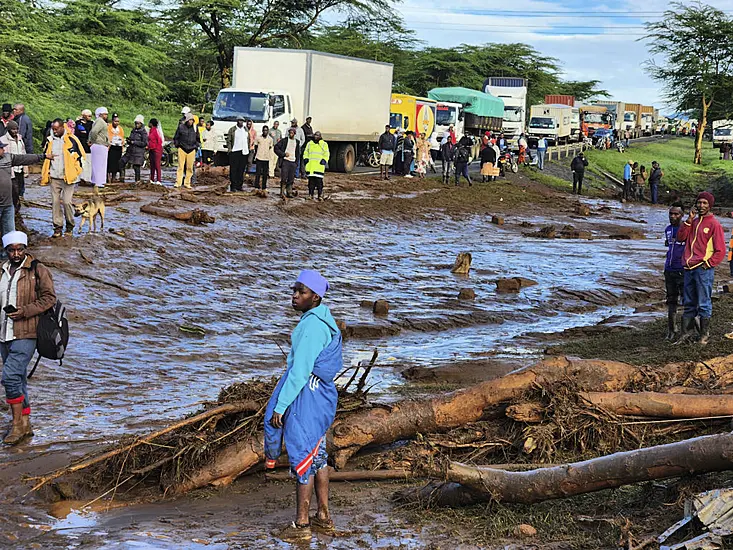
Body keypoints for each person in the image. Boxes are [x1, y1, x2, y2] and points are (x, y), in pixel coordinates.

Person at [264, 270, 342, 541]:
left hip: (307, 397)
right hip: (321, 396)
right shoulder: (324, 320)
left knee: (303, 457)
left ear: (316, 297)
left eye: (302, 291)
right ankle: (324, 516)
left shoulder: (311, 327)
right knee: (318, 456)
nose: (295, 295)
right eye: (294, 290)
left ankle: (301, 524)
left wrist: (280, 406)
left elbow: (300, 371)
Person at [0, 231, 57, 445]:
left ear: (25, 248)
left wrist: (24, 311)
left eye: (19, 249)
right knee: (19, 377)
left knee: (10, 377)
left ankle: (16, 425)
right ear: (6, 250)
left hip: (28, 332)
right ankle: (25, 423)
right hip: (4, 333)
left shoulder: (37, 269)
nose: (16, 253)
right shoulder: (2, 270)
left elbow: (49, 298)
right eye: (11, 250)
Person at [674, 192, 726, 345]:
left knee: (704, 302)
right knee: (689, 302)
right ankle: (687, 334)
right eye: (699, 203)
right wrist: (689, 221)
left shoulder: (714, 224)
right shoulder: (694, 222)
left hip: (703, 269)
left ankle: (704, 336)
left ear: (710, 205)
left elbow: (720, 250)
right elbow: (681, 237)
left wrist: (708, 264)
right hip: (689, 268)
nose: (701, 206)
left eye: (704, 203)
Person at [40, 119, 85, 237]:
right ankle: (58, 227)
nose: (54, 131)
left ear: (62, 127)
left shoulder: (72, 140)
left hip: (69, 178)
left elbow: (81, 157)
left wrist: (76, 172)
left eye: (56, 129)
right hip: (54, 176)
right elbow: (45, 156)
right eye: (53, 129)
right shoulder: (49, 141)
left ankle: (70, 225)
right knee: (55, 202)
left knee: (66, 202)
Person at [0, 138, 49, 243]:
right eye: (1, 148)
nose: (4, 150)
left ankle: (7, 257)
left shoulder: (8, 157)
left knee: (10, 234)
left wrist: (43, 156)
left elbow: (24, 158)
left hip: (8, 205)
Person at [664, 205, 685, 341]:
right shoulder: (668, 229)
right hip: (669, 270)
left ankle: (688, 330)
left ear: (681, 215)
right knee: (671, 301)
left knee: (687, 301)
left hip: (683, 270)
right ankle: (672, 330)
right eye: (671, 214)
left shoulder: (687, 230)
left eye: (676, 214)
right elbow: (669, 245)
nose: (673, 216)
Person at [3, 121, 26, 211]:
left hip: (20, 168)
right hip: (10, 169)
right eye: (13, 129)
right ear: (9, 129)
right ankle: (14, 208)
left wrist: (25, 166)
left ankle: (16, 208)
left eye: (16, 129)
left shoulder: (20, 139)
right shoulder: (3, 140)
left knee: (20, 189)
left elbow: (23, 152)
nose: (15, 131)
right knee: (14, 190)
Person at [173, 113, 200, 189]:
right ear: (187, 120)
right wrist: (177, 145)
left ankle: (187, 183)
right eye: (190, 120)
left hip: (191, 149)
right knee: (180, 167)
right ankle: (178, 182)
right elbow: (176, 137)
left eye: (192, 120)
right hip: (182, 148)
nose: (191, 122)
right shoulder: (181, 127)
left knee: (190, 167)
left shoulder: (195, 128)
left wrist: (196, 147)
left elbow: (198, 139)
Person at [119, 115, 148, 183]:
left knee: (136, 167)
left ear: (141, 124)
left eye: (138, 123)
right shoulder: (133, 130)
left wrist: (134, 142)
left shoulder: (143, 132)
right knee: (121, 162)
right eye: (135, 123)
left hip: (138, 152)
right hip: (130, 151)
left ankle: (137, 181)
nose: (136, 125)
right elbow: (131, 138)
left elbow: (144, 143)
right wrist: (129, 140)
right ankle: (122, 178)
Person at [275, 126, 301, 198]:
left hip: (293, 162)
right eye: (290, 133)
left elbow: (298, 153)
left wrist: (296, 163)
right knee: (284, 177)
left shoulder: (297, 142)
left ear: (294, 134)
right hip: (285, 161)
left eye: (292, 133)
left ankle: (289, 192)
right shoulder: (284, 141)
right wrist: (283, 154)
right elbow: (276, 148)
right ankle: (282, 192)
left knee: (291, 178)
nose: (291, 134)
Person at [303, 131, 329, 200]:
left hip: (319, 167)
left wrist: (324, 160)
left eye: (317, 136)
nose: (316, 137)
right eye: (315, 135)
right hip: (311, 167)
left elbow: (326, 153)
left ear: (320, 137)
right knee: (311, 183)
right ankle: (310, 195)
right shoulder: (309, 144)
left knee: (319, 182)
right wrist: (305, 158)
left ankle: (320, 195)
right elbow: (306, 152)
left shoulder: (323, 144)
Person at [226, 116, 248, 192]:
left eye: (242, 121)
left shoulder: (245, 129)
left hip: (244, 152)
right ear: (237, 121)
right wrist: (230, 150)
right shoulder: (232, 130)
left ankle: (239, 186)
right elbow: (228, 140)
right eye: (239, 121)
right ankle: (233, 186)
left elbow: (248, 140)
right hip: (235, 151)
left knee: (241, 170)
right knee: (234, 170)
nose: (241, 122)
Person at [89, 107, 109, 188]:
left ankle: (96, 180)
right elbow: (94, 132)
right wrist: (94, 140)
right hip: (99, 144)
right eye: (105, 114)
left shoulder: (98, 121)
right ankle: (99, 182)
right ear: (100, 114)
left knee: (98, 164)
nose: (106, 116)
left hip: (99, 144)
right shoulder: (100, 121)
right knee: (99, 164)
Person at [254, 125, 274, 193]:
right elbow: (256, 146)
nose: (265, 131)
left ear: (268, 131)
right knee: (258, 173)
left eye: (266, 130)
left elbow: (270, 147)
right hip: (259, 157)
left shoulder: (270, 139)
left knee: (265, 174)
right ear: (262, 131)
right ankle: (256, 186)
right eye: (264, 130)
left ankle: (264, 187)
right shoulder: (258, 138)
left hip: (266, 158)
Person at [75, 109, 93, 183]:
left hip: (89, 146)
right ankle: (80, 177)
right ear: (84, 116)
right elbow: (78, 133)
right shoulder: (78, 123)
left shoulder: (92, 123)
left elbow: (90, 133)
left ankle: (88, 178)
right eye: (89, 116)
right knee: (81, 161)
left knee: (89, 162)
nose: (90, 117)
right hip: (80, 145)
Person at [106, 114, 124, 183]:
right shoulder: (109, 127)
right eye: (115, 121)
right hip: (111, 147)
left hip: (118, 147)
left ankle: (114, 177)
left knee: (117, 163)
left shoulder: (120, 128)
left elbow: (122, 137)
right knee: (109, 162)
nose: (116, 123)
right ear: (112, 121)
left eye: (118, 121)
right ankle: (107, 177)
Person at [147, 118, 164, 185]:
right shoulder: (150, 131)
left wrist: (156, 148)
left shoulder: (156, 131)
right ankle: (152, 179)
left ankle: (159, 180)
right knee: (152, 165)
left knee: (157, 165)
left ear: (151, 124)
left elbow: (159, 141)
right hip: (151, 149)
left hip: (157, 150)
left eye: (149, 123)